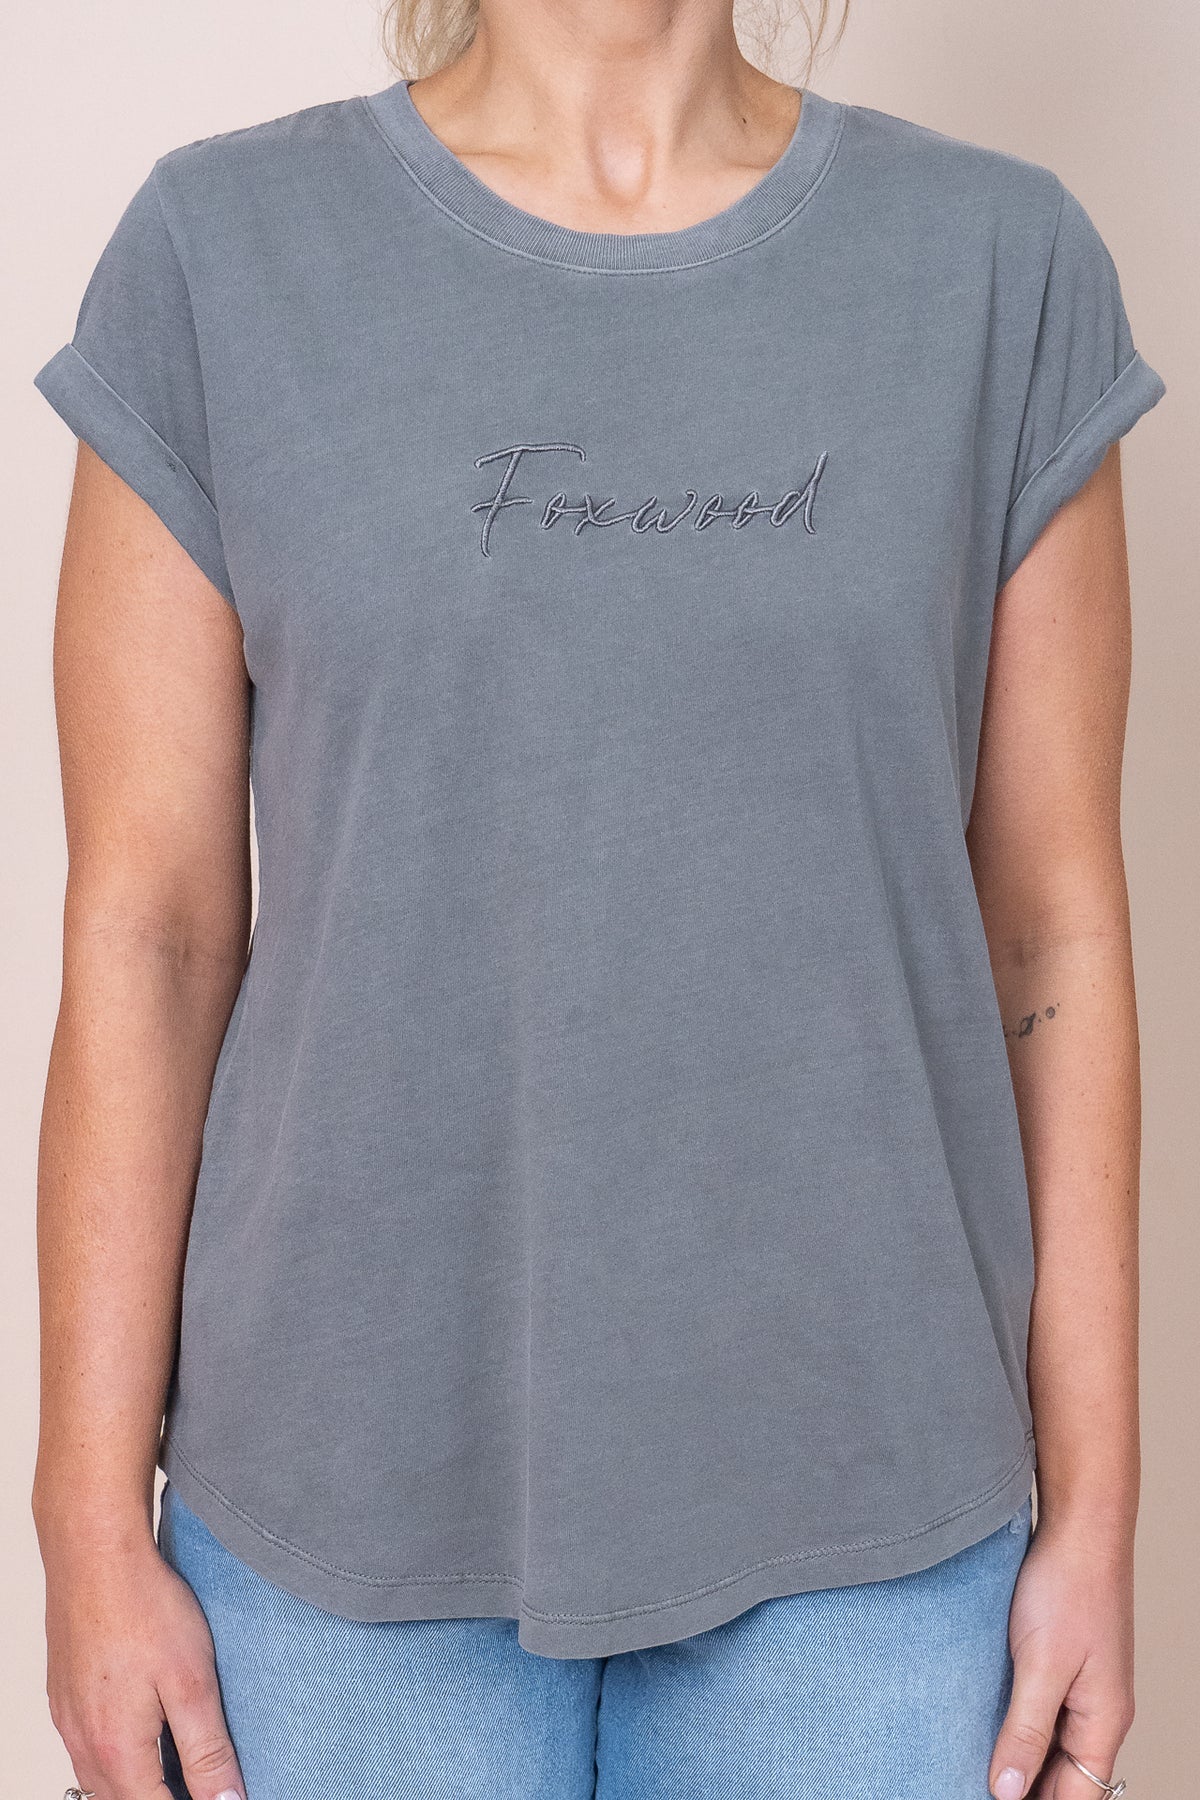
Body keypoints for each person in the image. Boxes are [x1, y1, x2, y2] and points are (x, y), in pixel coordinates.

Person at [31, 0, 1165, 1796]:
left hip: (871, 1519)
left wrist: (1100, 1515)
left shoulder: (998, 270)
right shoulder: (218, 258)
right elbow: (148, 935)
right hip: (334, 1519)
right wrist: (85, 1524)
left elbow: (1055, 930)